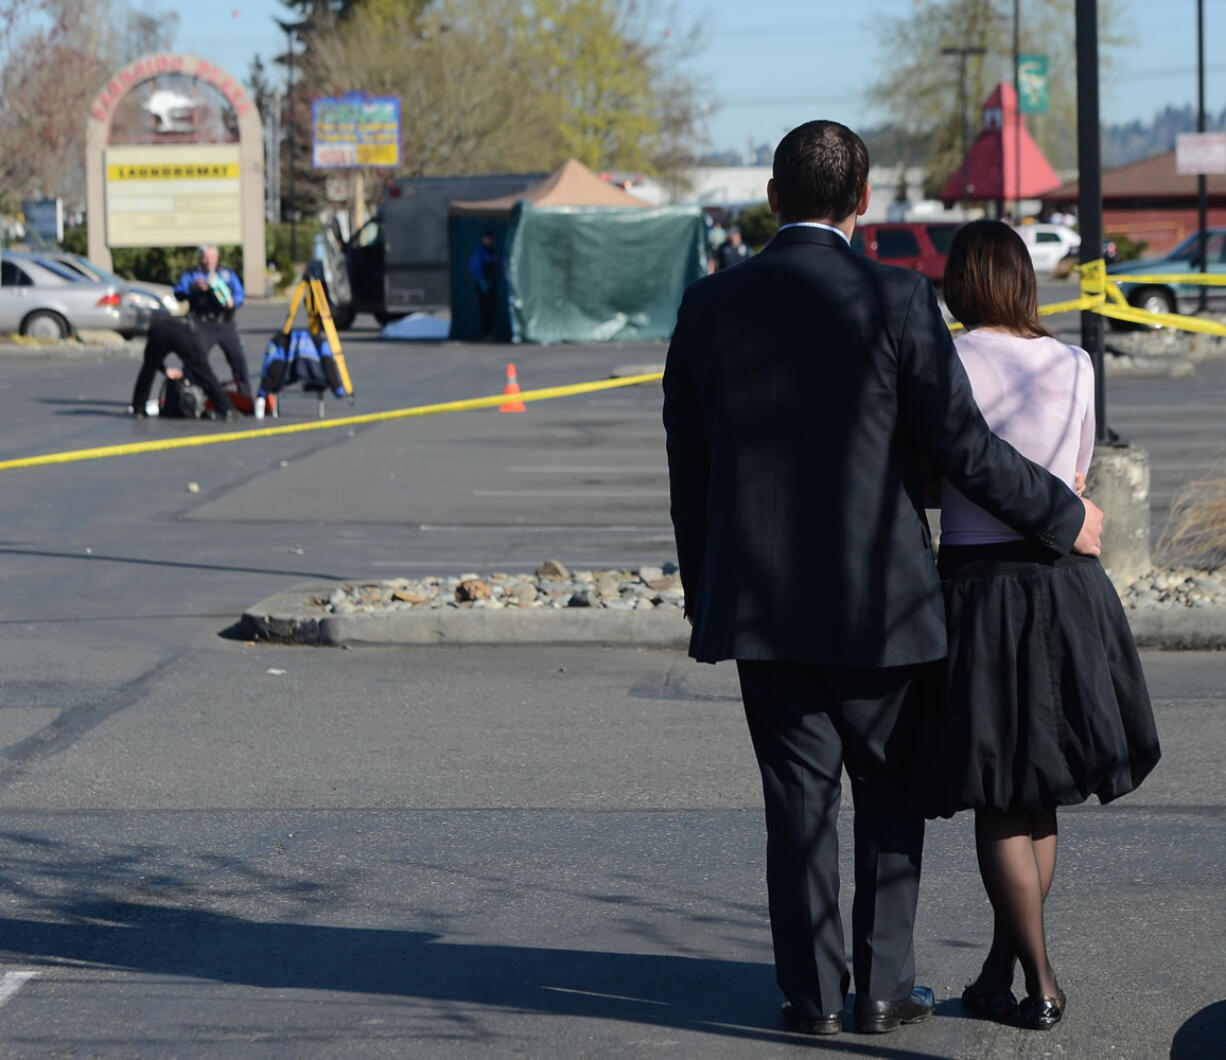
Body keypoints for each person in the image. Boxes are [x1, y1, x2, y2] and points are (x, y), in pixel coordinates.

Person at [662, 120, 1103, 1038]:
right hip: (884, 600)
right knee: (890, 801)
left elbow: (689, 470)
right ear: (864, 203)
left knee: (797, 810)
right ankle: (883, 990)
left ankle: (813, 998)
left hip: (761, 607)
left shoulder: (708, 305)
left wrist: (710, 599)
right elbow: (962, 448)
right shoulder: (899, 299)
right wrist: (1063, 515)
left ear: (772, 197)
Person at [915, 220, 1160, 1030]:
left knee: (997, 794)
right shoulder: (1076, 364)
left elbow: (934, 465)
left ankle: (1041, 979)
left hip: (982, 587)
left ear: (960, 283)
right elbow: (1079, 471)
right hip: (1066, 584)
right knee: (1038, 792)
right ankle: (998, 970)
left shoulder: (948, 358)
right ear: (1024, 281)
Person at [174, 244, 251, 394]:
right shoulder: (192, 275)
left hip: (225, 323)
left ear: (217, 258)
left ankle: (245, 395)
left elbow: (239, 294)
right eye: (205, 257)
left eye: (211, 257)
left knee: (238, 361)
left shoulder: (226, 274)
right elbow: (178, 292)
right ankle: (187, 394)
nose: (208, 261)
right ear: (200, 258)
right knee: (194, 360)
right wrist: (192, 288)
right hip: (202, 323)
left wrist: (232, 302)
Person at [131, 315, 236, 420]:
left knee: (148, 370)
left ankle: (138, 409)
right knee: (205, 374)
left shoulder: (163, 325)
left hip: (160, 329)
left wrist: (164, 370)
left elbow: (149, 358)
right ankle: (227, 409)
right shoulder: (195, 334)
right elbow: (203, 370)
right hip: (180, 334)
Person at [469, 230, 500, 340]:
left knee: (491, 309)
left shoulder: (492, 251)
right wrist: (482, 282)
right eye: (487, 238)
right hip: (483, 285)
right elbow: (475, 267)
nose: (489, 241)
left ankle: (489, 333)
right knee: (484, 309)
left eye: (490, 238)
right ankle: (483, 333)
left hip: (492, 284)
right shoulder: (480, 251)